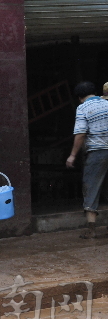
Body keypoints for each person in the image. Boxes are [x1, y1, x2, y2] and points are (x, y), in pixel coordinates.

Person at [66, 81, 108, 239]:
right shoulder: (106, 103)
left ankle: (91, 230)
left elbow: (81, 134)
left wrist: (72, 155)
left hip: (97, 153)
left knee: (91, 187)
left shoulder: (83, 108)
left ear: (79, 97)